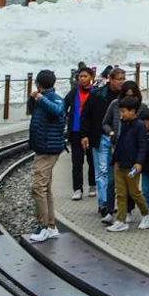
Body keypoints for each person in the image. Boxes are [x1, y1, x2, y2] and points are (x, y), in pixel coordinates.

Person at [25, 69, 67, 243]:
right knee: (45, 187)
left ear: (38, 83)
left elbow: (58, 111)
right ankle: (51, 226)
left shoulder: (55, 99)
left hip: (49, 148)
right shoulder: (41, 99)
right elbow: (30, 111)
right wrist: (33, 99)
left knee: (38, 187)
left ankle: (43, 226)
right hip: (43, 147)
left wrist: (40, 98)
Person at [108, 99, 149, 232]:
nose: (122, 114)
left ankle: (146, 213)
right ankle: (120, 220)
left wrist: (139, 162)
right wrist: (116, 159)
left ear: (133, 111)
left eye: (124, 111)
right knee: (120, 193)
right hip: (120, 164)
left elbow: (143, 146)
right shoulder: (124, 123)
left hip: (132, 166)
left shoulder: (139, 126)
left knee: (134, 192)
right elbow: (120, 143)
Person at [94, 67, 126, 220]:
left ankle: (124, 208)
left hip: (121, 143)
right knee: (103, 172)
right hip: (103, 137)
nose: (122, 82)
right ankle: (105, 204)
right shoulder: (100, 94)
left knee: (120, 176)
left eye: (123, 79)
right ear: (111, 79)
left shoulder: (126, 98)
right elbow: (93, 116)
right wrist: (86, 135)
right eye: (119, 79)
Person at [66, 68, 98, 201]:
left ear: (91, 77)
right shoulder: (73, 93)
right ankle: (77, 188)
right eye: (80, 76)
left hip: (92, 131)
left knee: (92, 160)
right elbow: (63, 107)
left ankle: (92, 185)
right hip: (76, 131)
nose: (82, 79)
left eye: (85, 76)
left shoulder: (96, 93)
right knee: (77, 161)